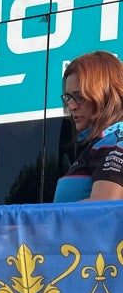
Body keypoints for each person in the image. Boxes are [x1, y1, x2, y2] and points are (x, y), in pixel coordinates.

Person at [54, 50, 123, 202]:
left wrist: (41, 220)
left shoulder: (115, 139)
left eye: (79, 97)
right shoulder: (99, 143)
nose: (71, 106)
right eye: (68, 97)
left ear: (106, 95)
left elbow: (103, 207)